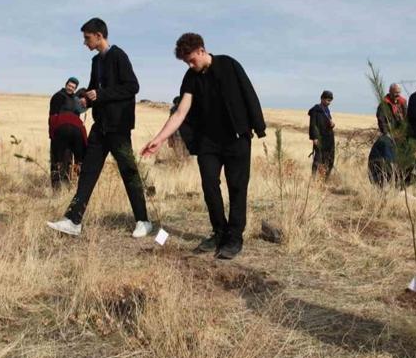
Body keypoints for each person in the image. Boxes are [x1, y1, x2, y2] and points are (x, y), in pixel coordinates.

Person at [142, 32, 266, 260]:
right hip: (209, 142)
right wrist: (158, 139)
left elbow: (248, 92)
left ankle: (235, 237)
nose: (190, 65)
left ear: (201, 50)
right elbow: (180, 112)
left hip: (237, 138)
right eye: (186, 62)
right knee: (210, 185)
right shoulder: (191, 77)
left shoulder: (228, 64)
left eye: (191, 60)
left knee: (237, 187)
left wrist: (258, 126)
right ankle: (219, 232)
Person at [47, 18, 152, 238]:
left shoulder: (118, 55)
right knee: (88, 172)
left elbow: (133, 86)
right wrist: (89, 100)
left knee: (128, 172)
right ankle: (73, 220)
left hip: (119, 127)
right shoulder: (96, 62)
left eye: (87, 38)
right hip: (100, 126)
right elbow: (95, 89)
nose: (85, 43)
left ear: (99, 35)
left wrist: (101, 95)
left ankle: (143, 221)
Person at [48, 76, 87, 189]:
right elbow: (53, 116)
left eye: (73, 87)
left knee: (68, 160)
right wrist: (52, 133)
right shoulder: (58, 97)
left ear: (75, 89)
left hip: (71, 134)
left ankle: (67, 184)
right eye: (69, 86)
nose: (70, 88)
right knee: (58, 159)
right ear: (66, 85)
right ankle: (56, 188)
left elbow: (81, 111)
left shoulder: (75, 99)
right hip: (59, 132)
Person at [308, 90, 336, 178]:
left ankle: (324, 178)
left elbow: (327, 122)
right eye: (327, 100)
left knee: (328, 158)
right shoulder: (315, 110)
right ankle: (313, 178)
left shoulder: (327, 110)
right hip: (319, 138)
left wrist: (332, 124)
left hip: (328, 138)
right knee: (318, 158)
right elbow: (313, 125)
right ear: (322, 99)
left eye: (330, 101)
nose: (329, 102)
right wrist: (315, 138)